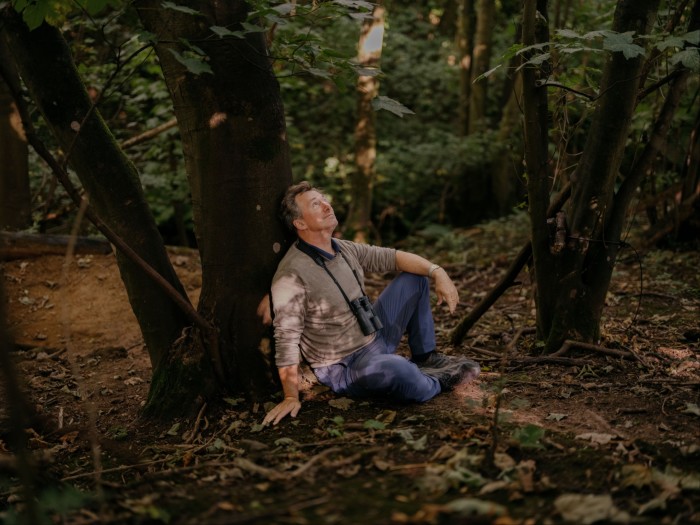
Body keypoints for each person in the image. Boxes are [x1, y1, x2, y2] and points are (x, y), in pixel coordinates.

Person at [262, 182, 480, 426]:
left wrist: (437, 271)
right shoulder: (292, 274)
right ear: (300, 223)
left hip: (375, 334)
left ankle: (426, 359)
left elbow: (394, 257)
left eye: (324, 198)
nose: (326, 205)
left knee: (415, 278)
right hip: (347, 365)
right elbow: (286, 338)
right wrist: (291, 396)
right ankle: (435, 382)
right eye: (316, 204)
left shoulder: (343, 248)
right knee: (397, 368)